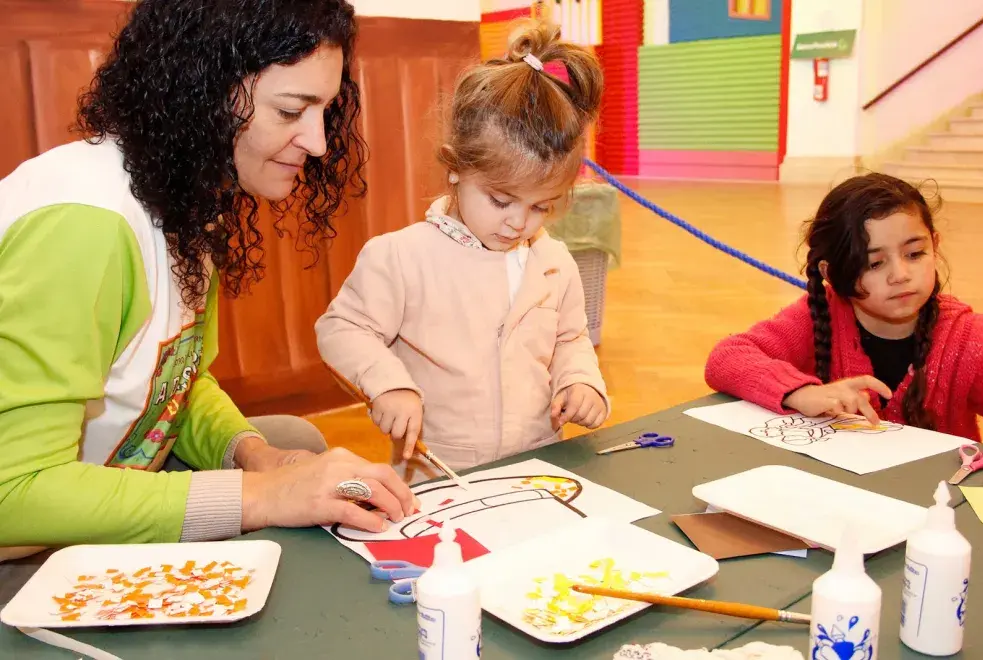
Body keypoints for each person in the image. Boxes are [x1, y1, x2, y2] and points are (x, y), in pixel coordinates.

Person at [0, 0, 417, 560]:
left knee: (290, 443)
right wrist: (263, 495)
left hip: (109, 476)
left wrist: (252, 454)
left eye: (325, 111)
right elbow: (13, 495)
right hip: (26, 539)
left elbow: (176, 385)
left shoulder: (186, 202)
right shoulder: (84, 227)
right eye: (292, 111)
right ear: (198, 95)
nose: (318, 143)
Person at [316, 21, 610, 483]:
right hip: (438, 474)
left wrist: (580, 381)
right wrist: (388, 384)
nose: (518, 222)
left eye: (541, 206)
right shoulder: (401, 257)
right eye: (500, 200)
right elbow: (342, 329)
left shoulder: (554, 262)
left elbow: (569, 339)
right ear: (455, 168)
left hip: (538, 465)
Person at [705, 173, 983, 439]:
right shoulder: (818, 316)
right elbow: (727, 358)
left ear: (934, 246)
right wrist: (800, 391)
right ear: (832, 273)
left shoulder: (972, 338)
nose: (901, 275)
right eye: (874, 263)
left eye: (915, 254)